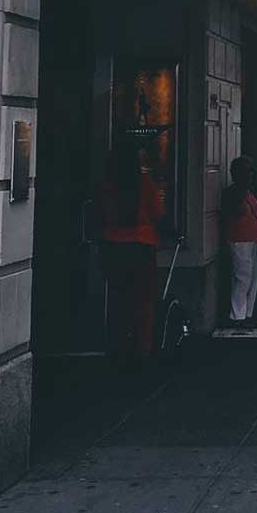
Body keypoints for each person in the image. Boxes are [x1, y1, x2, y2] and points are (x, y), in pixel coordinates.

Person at [98, 139, 165, 362]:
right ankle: (142, 350)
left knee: (118, 297)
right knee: (144, 300)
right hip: (141, 245)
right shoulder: (143, 183)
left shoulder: (107, 184)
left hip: (113, 245)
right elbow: (157, 212)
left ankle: (118, 346)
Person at [222, 155, 257, 322]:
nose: (250, 176)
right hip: (240, 240)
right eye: (246, 173)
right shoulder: (233, 193)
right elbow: (235, 211)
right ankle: (237, 315)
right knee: (242, 278)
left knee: (252, 278)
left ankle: (247, 313)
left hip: (253, 239)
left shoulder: (249, 192)